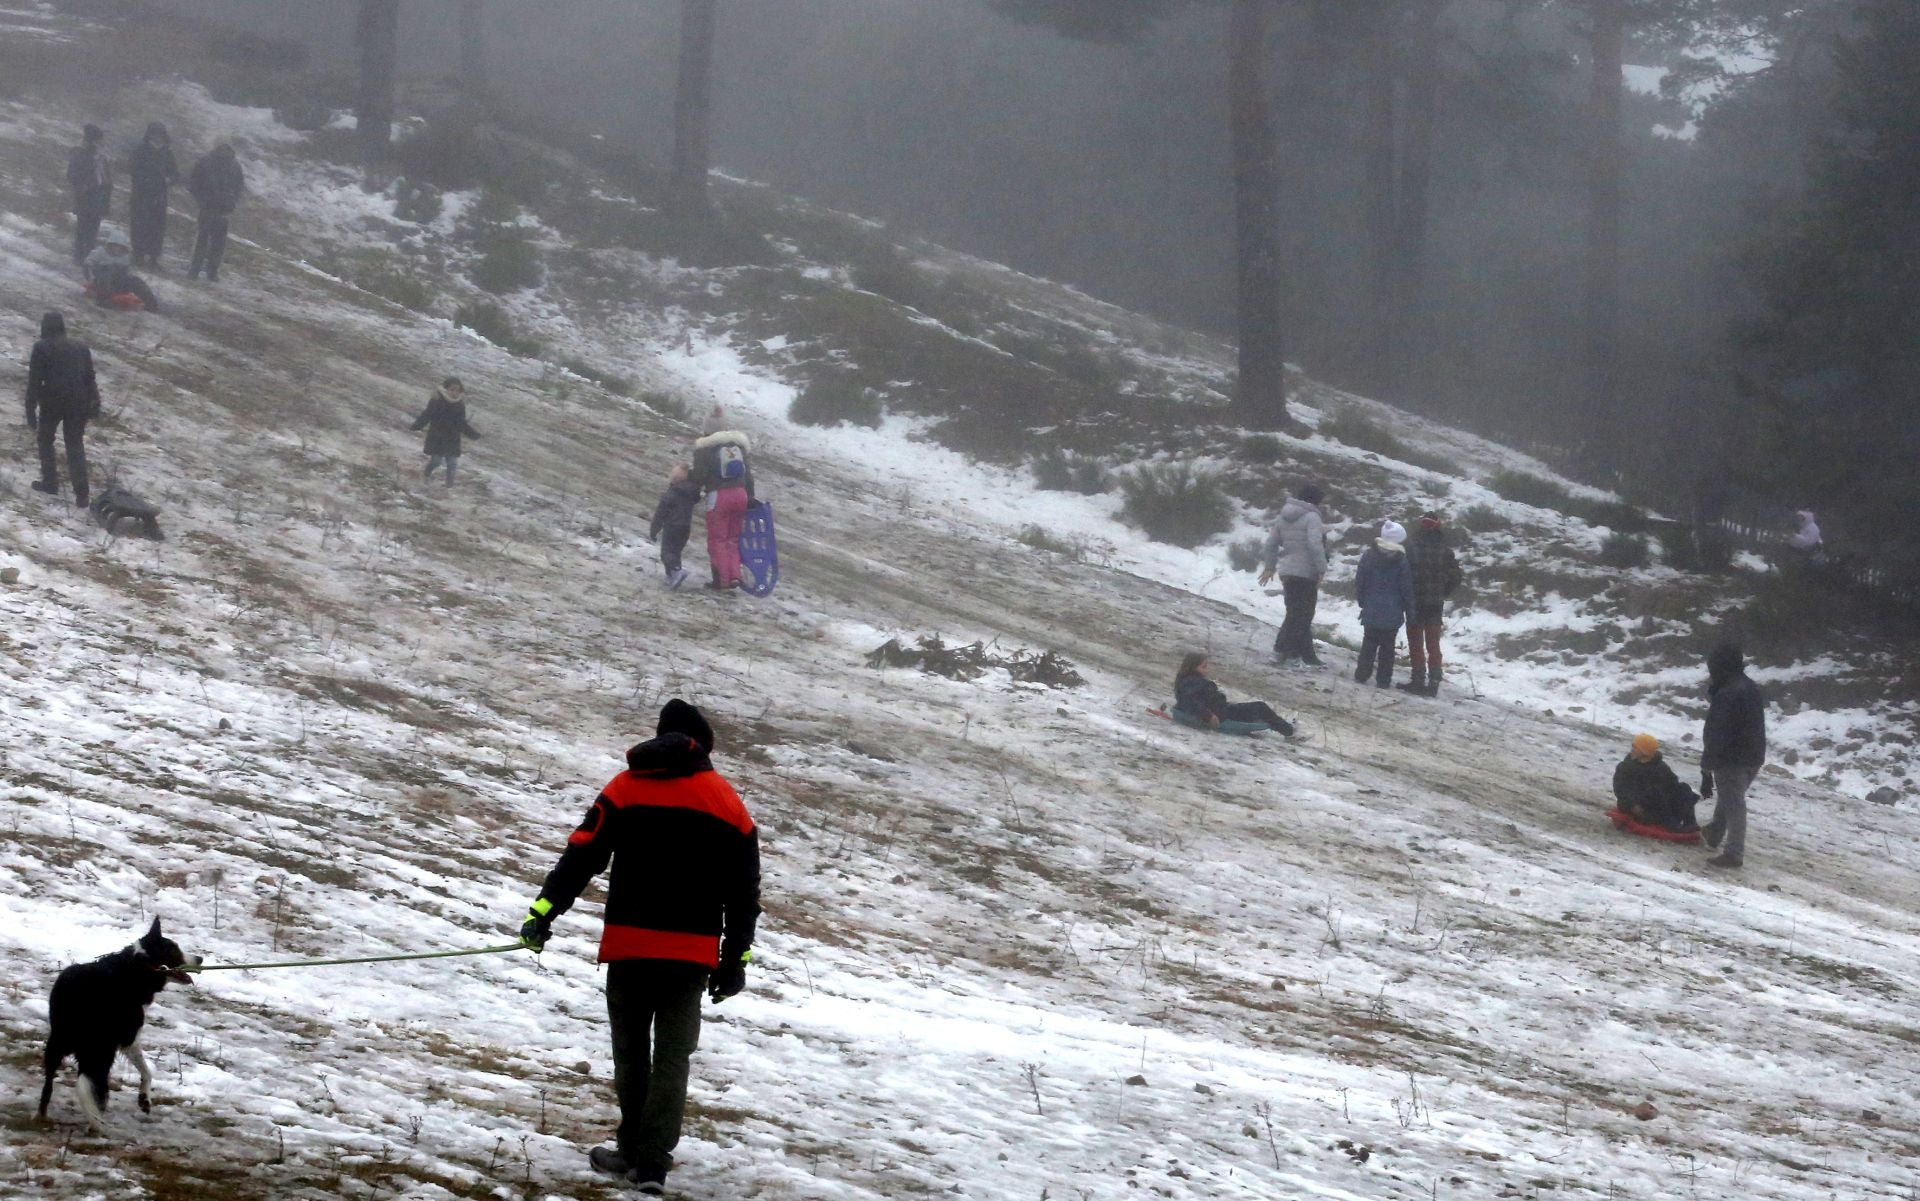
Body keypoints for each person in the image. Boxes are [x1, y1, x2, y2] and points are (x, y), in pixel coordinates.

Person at [516, 700, 760, 1196]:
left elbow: (581, 856)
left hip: (629, 947)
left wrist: (542, 915)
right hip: (690, 955)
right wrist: (734, 960)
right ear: (704, 748)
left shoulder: (625, 788)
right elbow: (744, 894)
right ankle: (652, 1165)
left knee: (630, 1053)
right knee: (674, 1057)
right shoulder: (727, 803)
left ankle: (630, 1148)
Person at [1699, 642, 1766, 869]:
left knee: (1734, 803)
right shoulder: (1749, 687)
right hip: (1754, 755)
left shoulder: (1728, 693)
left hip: (1732, 758)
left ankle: (1734, 853)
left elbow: (1717, 732)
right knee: (1729, 798)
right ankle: (1715, 832)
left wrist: (1707, 767)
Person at [23, 311, 100, 508]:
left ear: (44, 327)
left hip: (52, 400)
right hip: (79, 402)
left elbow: (34, 381)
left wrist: (30, 409)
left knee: (46, 439)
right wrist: (95, 402)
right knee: (74, 445)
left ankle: (50, 482)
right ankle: (82, 494)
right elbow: (89, 377)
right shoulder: (81, 347)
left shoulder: (41, 347)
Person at [1259, 483, 1329, 666]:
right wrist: (1322, 568)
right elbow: (1315, 544)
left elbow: (1271, 544)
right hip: (1306, 573)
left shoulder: (1283, 516)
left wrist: (1269, 566)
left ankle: (1304, 656)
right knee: (1301, 616)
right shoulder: (1312, 517)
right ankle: (1281, 652)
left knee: (1296, 614)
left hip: (1287, 571)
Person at [1400, 513, 1463, 697]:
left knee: (1415, 642)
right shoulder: (1445, 550)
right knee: (1433, 644)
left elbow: (1403, 573)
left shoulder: (1411, 547)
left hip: (1415, 601)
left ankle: (1418, 678)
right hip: (1435, 602)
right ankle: (1434, 680)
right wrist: (1444, 591)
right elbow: (1456, 576)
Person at [1353, 520, 1414, 689]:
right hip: (1393, 611)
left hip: (1371, 607)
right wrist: (1409, 609)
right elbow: (1406, 588)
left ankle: (1362, 674)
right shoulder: (1402, 561)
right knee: (1387, 648)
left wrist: (1362, 600)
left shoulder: (1368, 555)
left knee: (1368, 643)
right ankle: (1383, 680)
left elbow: (1360, 581)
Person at [691, 428, 754, 590]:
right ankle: (735, 576)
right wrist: (751, 498)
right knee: (732, 539)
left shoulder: (705, 449)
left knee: (717, 540)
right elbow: (748, 476)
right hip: (741, 495)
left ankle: (722, 581)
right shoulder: (738, 447)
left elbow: (699, 476)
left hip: (719, 496)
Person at [1173, 653, 1294, 735]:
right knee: (1260, 707)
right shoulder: (1192, 682)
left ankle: (1280, 724)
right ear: (1192, 667)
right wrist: (1208, 715)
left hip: (1221, 710)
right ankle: (1290, 732)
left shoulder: (1187, 680)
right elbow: (1189, 701)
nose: (1207, 669)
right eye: (1203, 667)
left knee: (1255, 709)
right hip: (1221, 715)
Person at [1611, 733, 1699, 832]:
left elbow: (1673, 784)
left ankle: (1690, 822)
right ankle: (1671, 824)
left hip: (1661, 805)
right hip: (1638, 806)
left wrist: (1684, 796)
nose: (1632, 749)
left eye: (1635, 747)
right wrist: (1632, 805)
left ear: (1645, 751)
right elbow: (1620, 789)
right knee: (1655, 792)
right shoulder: (1625, 767)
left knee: (1684, 788)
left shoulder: (1660, 767)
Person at [187, 143, 244, 282]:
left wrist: (232, 201)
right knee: (202, 239)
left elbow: (239, 186)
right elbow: (194, 183)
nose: (224, 150)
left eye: (227, 148)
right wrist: (202, 200)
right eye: (222, 147)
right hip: (207, 207)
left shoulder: (235, 166)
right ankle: (194, 269)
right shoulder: (205, 162)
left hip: (224, 209)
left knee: (219, 243)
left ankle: (212, 271)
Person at [127, 122, 177, 269]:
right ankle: (138, 255)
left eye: (160, 135)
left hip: (159, 197)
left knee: (157, 228)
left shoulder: (167, 153)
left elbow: (175, 173)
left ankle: (154, 258)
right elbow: (133, 170)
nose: (158, 138)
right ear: (149, 135)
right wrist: (147, 180)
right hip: (141, 195)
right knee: (139, 226)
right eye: (154, 134)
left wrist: (170, 180)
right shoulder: (140, 150)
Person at [410, 377, 477, 485]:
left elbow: (461, 423)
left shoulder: (460, 405)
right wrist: (417, 425)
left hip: (452, 439)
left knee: (452, 464)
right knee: (436, 461)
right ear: (445, 389)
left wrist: (473, 434)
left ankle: (448, 486)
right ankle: (426, 474)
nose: (454, 393)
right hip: (437, 437)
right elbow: (427, 415)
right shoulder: (437, 401)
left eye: (457, 390)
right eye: (452, 390)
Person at [648, 464, 701, 590]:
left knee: (666, 552)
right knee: (676, 551)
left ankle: (676, 571)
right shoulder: (691, 493)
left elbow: (660, 514)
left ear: (674, 479)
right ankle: (671, 575)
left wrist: (654, 529)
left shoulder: (671, 494)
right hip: (685, 527)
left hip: (672, 526)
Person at [81, 228, 160, 313]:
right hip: (100, 281)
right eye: (115, 246)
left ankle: (151, 304)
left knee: (136, 281)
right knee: (106, 273)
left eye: (120, 247)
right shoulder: (100, 252)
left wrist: (129, 277)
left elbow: (127, 271)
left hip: (118, 283)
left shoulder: (125, 257)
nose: (117, 249)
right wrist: (90, 271)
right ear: (110, 245)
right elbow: (88, 263)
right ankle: (103, 300)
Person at [66, 124, 111, 265]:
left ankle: (89, 254)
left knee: (94, 226)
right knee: (83, 225)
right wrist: (84, 185)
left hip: (100, 195)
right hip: (86, 195)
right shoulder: (80, 154)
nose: (101, 143)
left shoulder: (101, 156)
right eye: (98, 140)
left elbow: (106, 175)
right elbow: (72, 175)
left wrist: (108, 187)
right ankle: (80, 255)